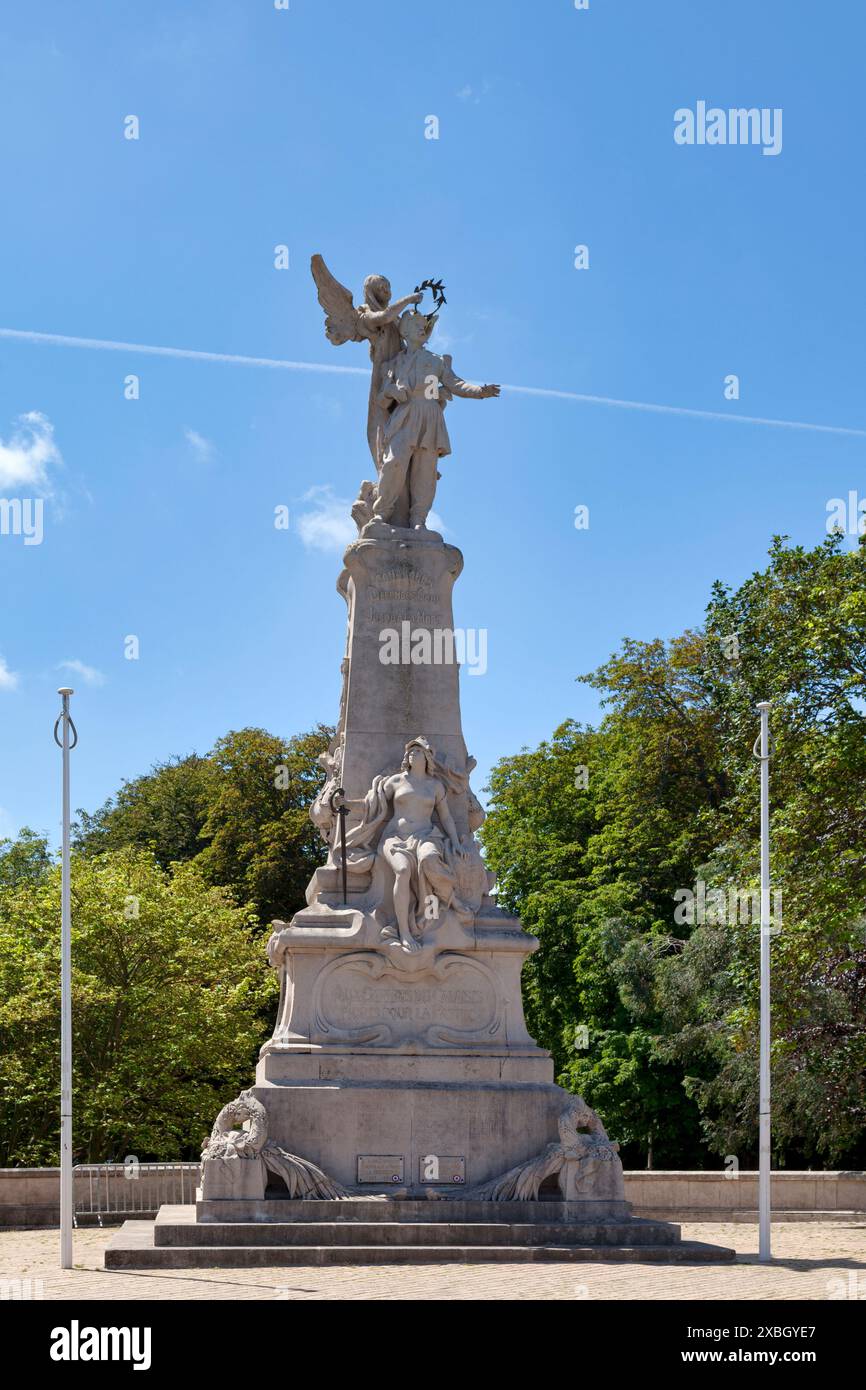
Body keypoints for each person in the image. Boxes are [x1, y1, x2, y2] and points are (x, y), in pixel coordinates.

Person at [374, 311, 500, 529]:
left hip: (430, 416)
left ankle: (418, 519)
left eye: (425, 325)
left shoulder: (435, 361)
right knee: (393, 463)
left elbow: (456, 384)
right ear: (405, 331)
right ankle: (382, 513)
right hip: (405, 415)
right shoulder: (393, 364)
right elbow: (381, 398)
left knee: (426, 471)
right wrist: (393, 391)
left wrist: (480, 391)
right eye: (417, 325)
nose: (423, 329)